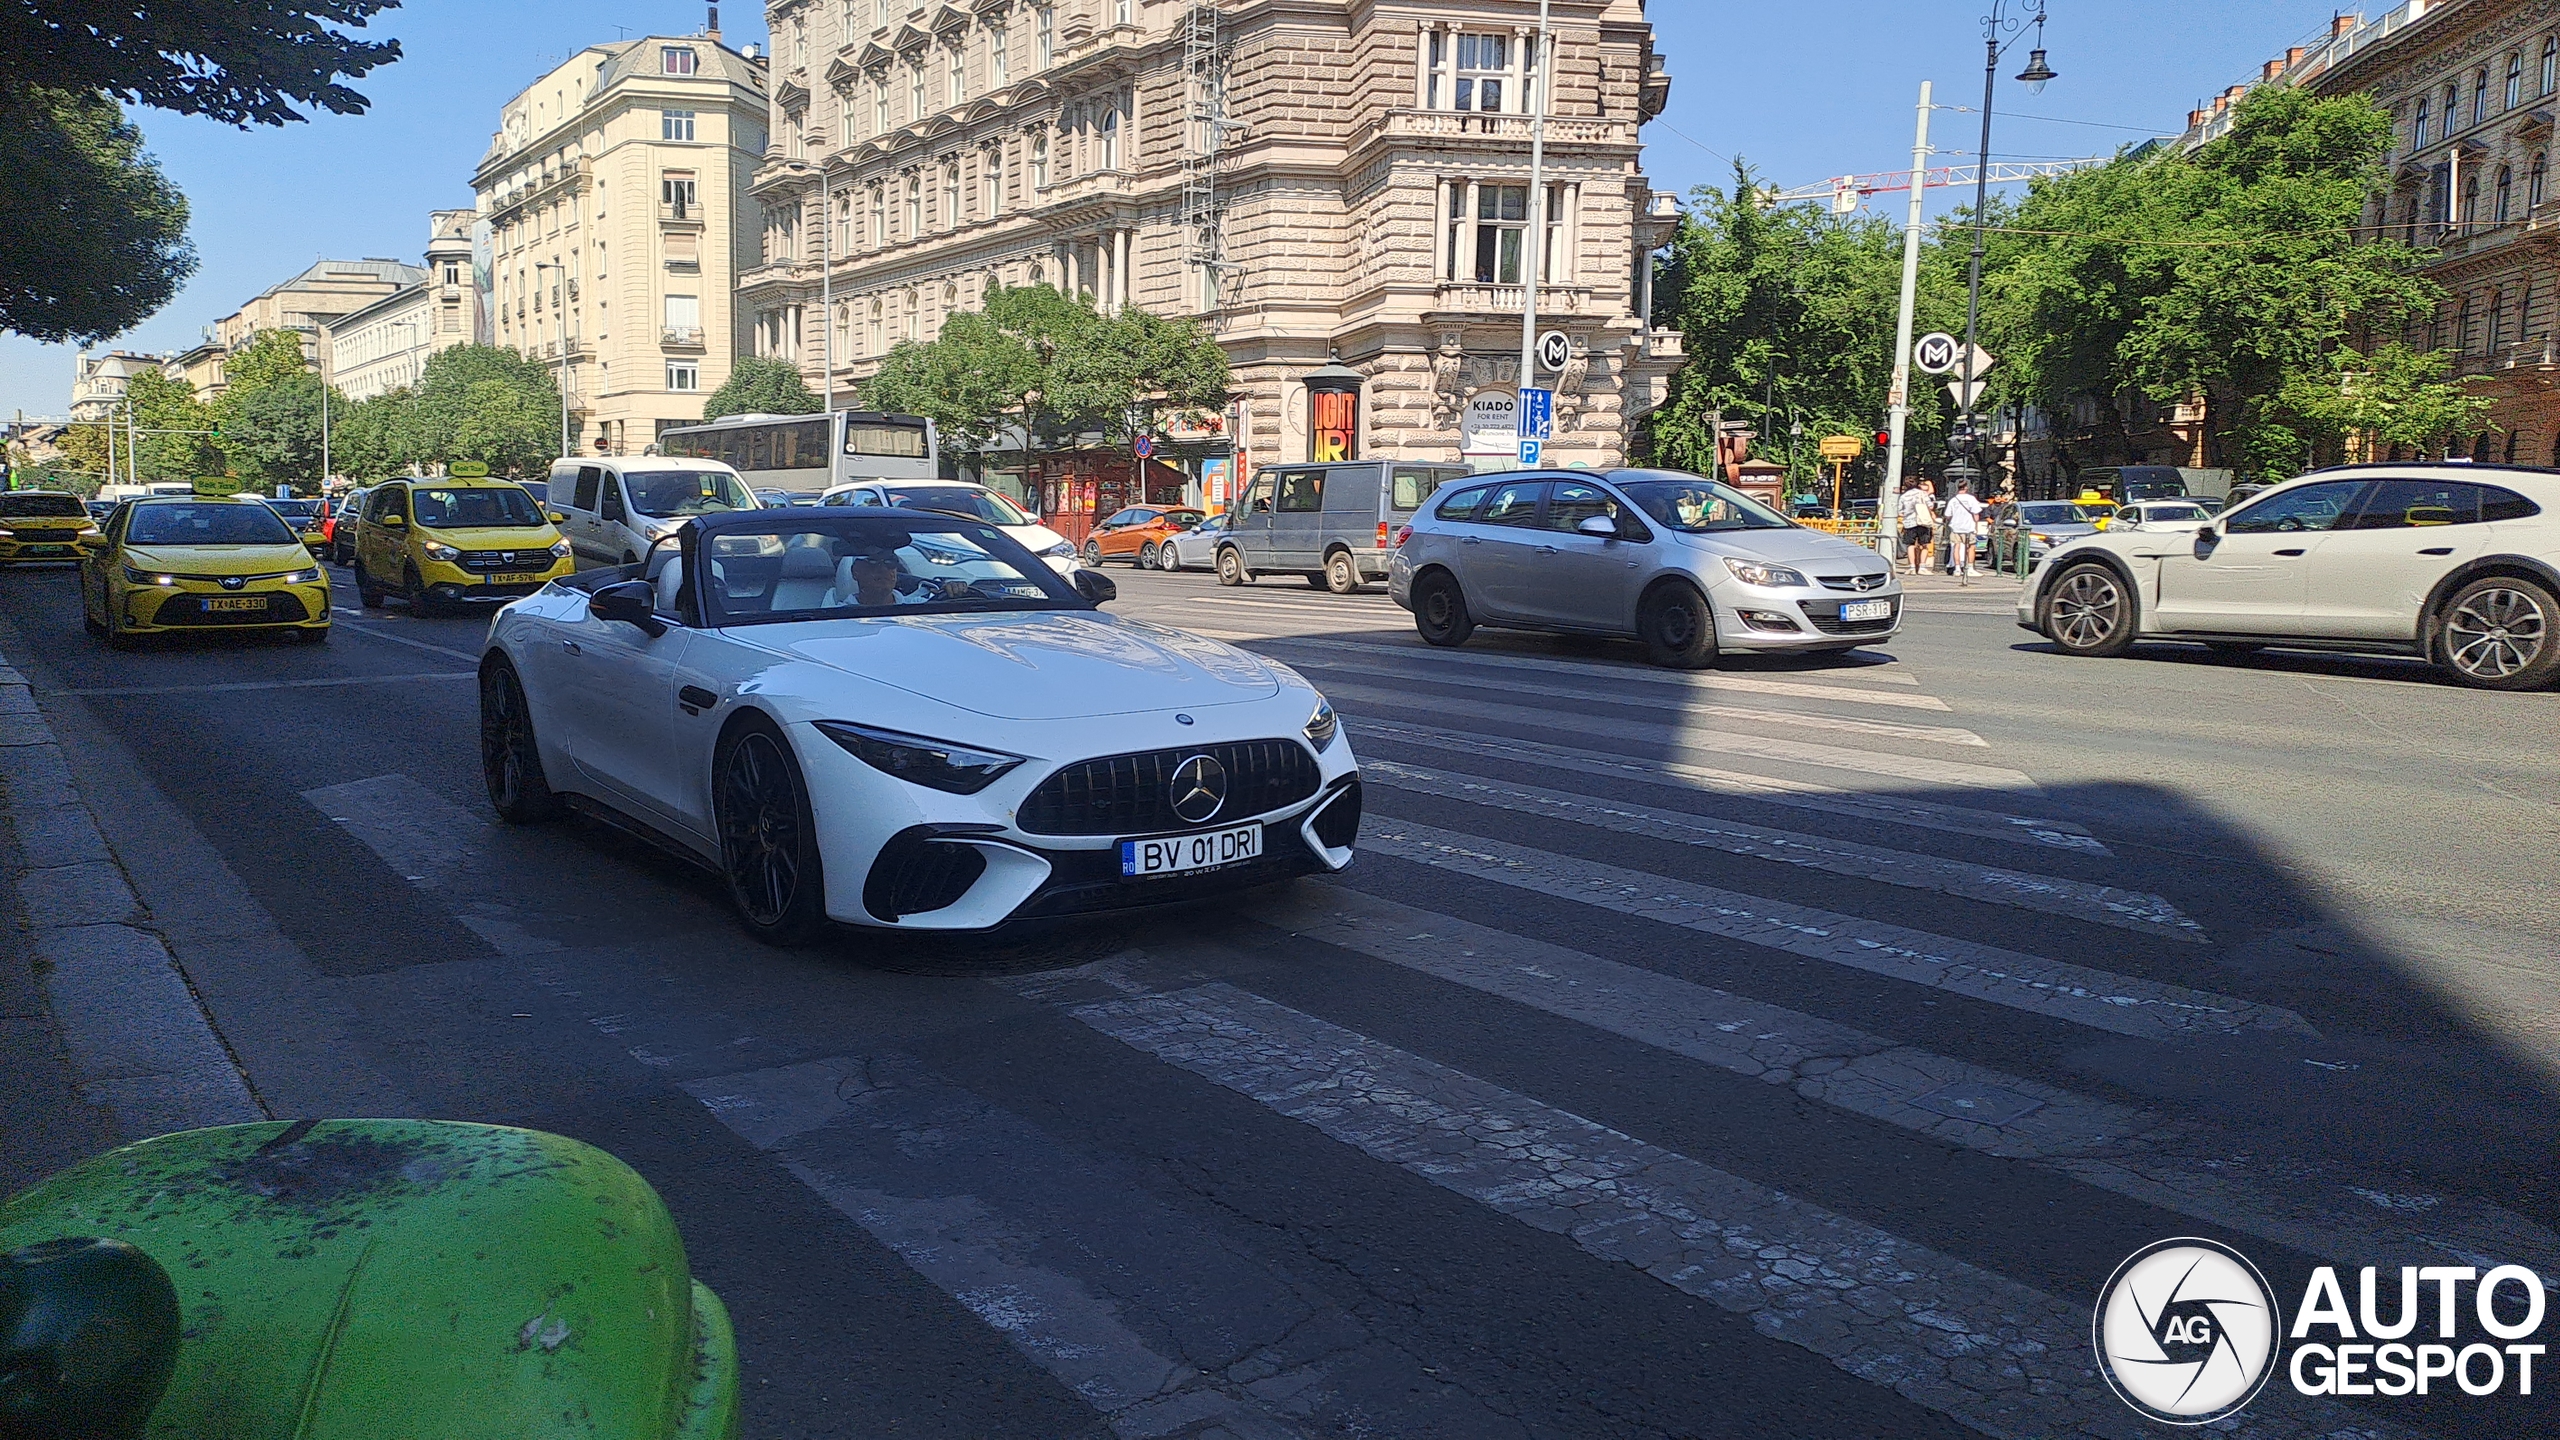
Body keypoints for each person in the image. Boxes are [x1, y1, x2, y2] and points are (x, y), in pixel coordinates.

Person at [1945, 478, 1986, 585]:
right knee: (1971, 547)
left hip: (1956, 527)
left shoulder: (1953, 500)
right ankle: (1970, 568)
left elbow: (1948, 515)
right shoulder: (1971, 499)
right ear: (1966, 487)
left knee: (1956, 547)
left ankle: (1957, 568)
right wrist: (1976, 526)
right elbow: (1976, 514)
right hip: (1968, 527)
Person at [1897, 484, 1937, 576]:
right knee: (1925, 545)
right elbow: (1930, 506)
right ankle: (1922, 567)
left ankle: (1912, 567)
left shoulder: (1904, 496)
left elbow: (1900, 511)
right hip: (1923, 521)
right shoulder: (1923, 494)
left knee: (1910, 545)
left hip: (1909, 523)